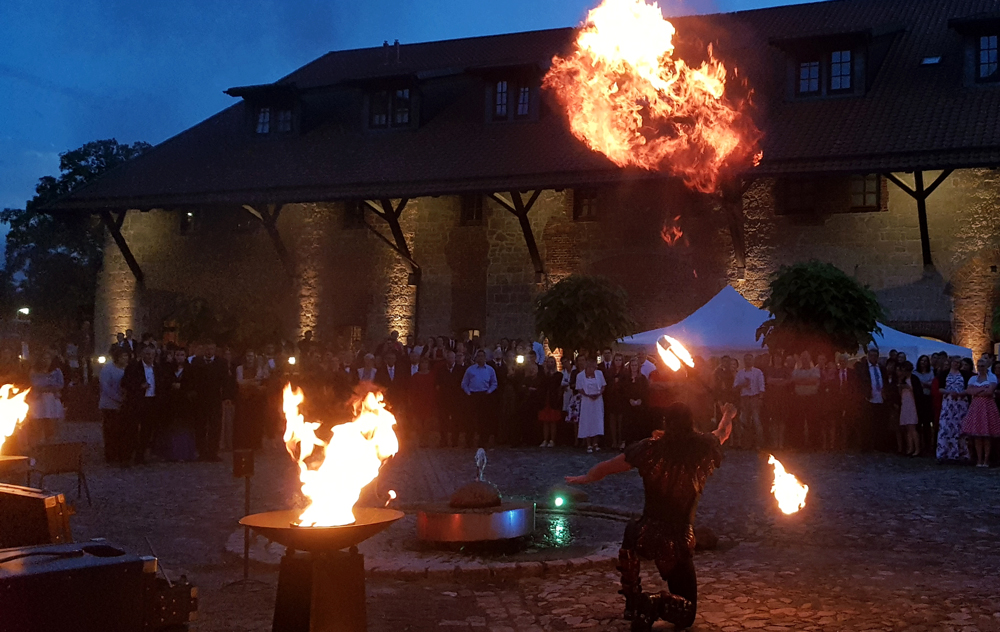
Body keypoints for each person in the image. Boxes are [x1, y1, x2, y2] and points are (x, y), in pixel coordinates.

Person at [564, 401, 737, 631]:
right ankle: (650, 603)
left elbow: (609, 466)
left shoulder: (649, 448)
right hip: (677, 541)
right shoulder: (704, 446)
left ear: (666, 422)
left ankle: (632, 601)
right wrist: (728, 414)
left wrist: (587, 477)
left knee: (631, 530)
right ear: (691, 422)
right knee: (686, 614)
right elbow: (723, 432)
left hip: (645, 533)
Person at [188, 341, 233, 462]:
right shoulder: (196, 362)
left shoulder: (221, 363)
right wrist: (192, 391)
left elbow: (226, 381)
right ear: (204, 350)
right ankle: (202, 452)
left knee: (215, 426)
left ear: (215, 350)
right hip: (200, 399)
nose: (209, 352)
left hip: (215, 398)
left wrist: (226, 397)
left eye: (211, 349)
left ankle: (213, 452)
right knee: (200, 426)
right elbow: (191, 378)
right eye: (207, 349)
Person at [121, 345, 163, 464]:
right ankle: (127, 456)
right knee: (132, 430)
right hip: (137, 402)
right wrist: (139, 386)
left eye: (152, 355)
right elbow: (125, 383)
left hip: (151, 402)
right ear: (142, 355)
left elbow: (161, 384)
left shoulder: (158, 368)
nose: (150, 357)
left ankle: (140, 456)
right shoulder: (133, 367)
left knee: (147, 430)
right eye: (148, 354)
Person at [961, 357, 1000, 468]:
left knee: (987, 435)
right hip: (976, 407)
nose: (980, 368)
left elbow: (989, 391)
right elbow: (969, 391)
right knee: (977, 435)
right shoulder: (973, 379)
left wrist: (977, 391)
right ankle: (979, 458)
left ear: (987, 366)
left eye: (982, 366)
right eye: (979, 366)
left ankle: (986, 459)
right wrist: (981, 390)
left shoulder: (991, 377)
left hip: (988, 407)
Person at [26, 349, 65, 447]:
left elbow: (60, 385)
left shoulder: (56, 371)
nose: (46, 361)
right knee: (37, 423)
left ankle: (50, 444)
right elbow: (34, 385)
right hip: (38, 401)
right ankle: (38, 444)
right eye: (44, 358)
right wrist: (47, 388)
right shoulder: (34, 371)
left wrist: (46, 388)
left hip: (52, 401)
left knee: (51, 424)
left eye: (48, 358)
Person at [936, 356, 970, 463]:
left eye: (959, 363)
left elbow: (968, 388)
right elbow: (940, 389)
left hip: (961, 404)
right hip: (948, 403)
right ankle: (944, 453)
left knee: (960, 427)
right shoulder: (944, 374)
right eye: (955, 362)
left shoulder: (964, 374)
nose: (957, 364)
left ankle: (961, 452)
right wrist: (949, 392)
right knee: (946, 427)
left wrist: (960, 393)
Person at [461, 349, 498, 447]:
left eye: (482, 356)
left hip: (484, 396)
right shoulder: (470, 369)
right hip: (473, 396)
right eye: (479, 356)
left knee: (484, 419)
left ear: (485, 358)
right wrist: (468, 393)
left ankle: (483, 441)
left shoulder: (490, 370)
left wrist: (489, 391)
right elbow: (464, 383)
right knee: (470, 419)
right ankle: (469, 441)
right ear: (476, 357)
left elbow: (494, 383)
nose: (480, 358)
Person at [98, 347, 129, 464]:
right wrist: (118, 398)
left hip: (123, 405)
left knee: (121, 431)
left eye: (126, 356)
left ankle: (121, 453)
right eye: (123, 356)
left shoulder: (127, 368)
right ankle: (110, 455)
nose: (125, 359)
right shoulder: (108, 369)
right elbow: (105, 387)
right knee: (110, 430)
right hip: (109, 405)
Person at [855, 348, 887, 452]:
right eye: (871, 356)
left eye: (875, 356)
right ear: (868, 356)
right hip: (868, 399)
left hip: (880, 399)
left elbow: (885, 381)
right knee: (867, 424)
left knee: (879, 423)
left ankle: (879, 445)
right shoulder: (863, 368)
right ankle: (866, 446)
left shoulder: (881, 368)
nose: (873, 358)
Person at [732, 353, 765, 450]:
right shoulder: (740, 373)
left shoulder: (758, 372)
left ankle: (759, 443)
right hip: (744, 398)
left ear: (753, 360)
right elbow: (734, 387)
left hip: (755, 397)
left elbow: (762, 386)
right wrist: (743, 385)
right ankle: (746, 443)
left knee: (756, 421)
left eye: (749, 359)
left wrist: (760, 398)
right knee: (744, 422)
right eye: (746, 359)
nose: (748, 361)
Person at [576, 358, 607, 453]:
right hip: (587, 401)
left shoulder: (599, 374)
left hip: (597, 400)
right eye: (590, 367)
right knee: (587, 421)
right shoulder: (580, 376)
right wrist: (588, 395)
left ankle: (595, 443)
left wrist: (598, 394)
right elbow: (579, 388)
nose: (592, 369)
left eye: (594, 367)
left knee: (597, 420)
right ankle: (588, 443)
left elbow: (603, 385)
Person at [407, 358, 438, 447]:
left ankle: (426, 440)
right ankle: (421, 440)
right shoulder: (415, 376)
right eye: (422, 362)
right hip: (418, 402)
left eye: (426, 363)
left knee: (427, 422)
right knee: (419, 423)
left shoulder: (432, 375)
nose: (424, 364)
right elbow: (411, 390)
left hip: (429, 402)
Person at [537, 356, 564, 447]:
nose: (550, 364)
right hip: (545, 399)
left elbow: (557, 386)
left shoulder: (559, 375)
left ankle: (552, 440)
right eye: (549, 362)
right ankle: (545, 439)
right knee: (545, 420)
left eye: (552, 362)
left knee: (553, 421)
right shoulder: (543, 375)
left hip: (554, 399)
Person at [897, 361, 921, 457]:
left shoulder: (914, 379)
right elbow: (899, 393)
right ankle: (910, 448)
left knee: (912, 427)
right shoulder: (902, 379)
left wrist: (908, 387)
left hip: (913, 404)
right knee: (907, 427)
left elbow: (918, 392)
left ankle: (917, 449)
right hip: (905, 403)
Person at [913, 355, 936, 455]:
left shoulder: (931, 372)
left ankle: (928, 446)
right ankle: (918, 446)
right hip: (918, 399)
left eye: (925, 361)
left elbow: (932, 384)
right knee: (917, 423)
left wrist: (924, 384)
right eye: (922, 361)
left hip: (927, 399)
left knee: (927, 424)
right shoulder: (915, 373)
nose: (923, 362)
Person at [605, 353, 627, 450]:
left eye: (620, 360)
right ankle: (613, 441)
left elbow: (627, 386)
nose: (618, 362)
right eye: (616, 360)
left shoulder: (625, 372)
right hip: (612, 398)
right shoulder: (610, 372)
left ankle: (620, 440)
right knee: (612, 420)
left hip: (621, 399)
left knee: (621, 421)